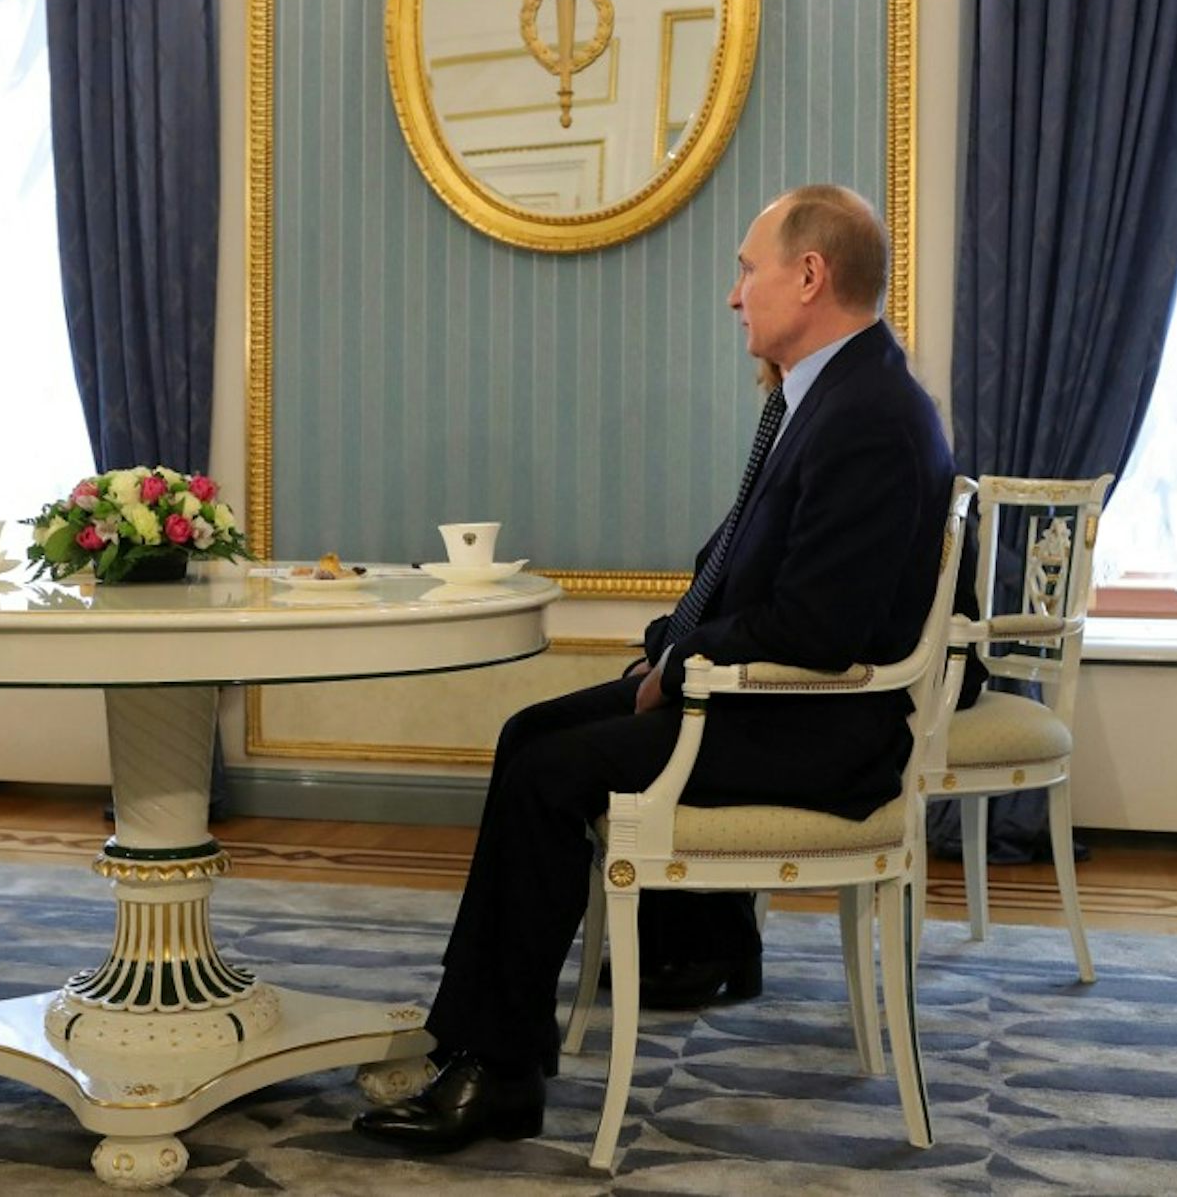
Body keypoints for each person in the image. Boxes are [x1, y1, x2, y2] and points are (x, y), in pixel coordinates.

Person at [356, 185, 957, 1153]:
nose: (734, 294)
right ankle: (478, 1036)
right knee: (527, 735)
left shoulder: (870, 418)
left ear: (809, 276)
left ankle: (499, 1073)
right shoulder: (836, 392)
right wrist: (672, 640)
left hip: (815, 730)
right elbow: (750, 563)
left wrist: (682, 665)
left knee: (550, 774)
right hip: (765, 700)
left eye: (747, 269)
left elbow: (819, 625)